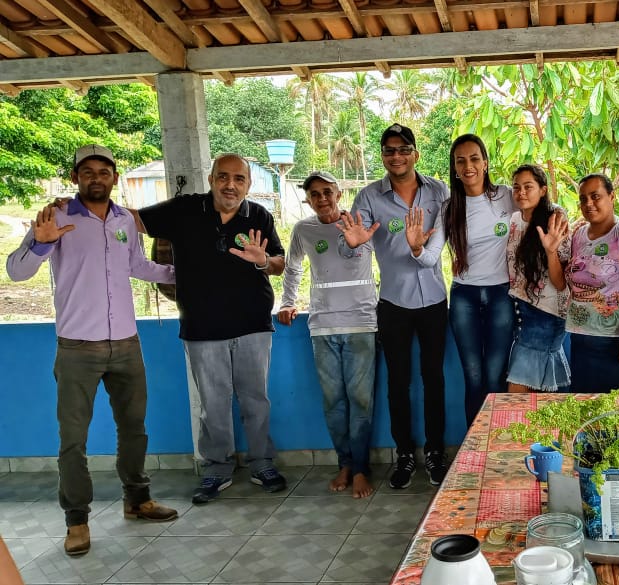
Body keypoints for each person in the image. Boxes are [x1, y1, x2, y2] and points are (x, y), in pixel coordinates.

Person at [5, 145, 178, 556]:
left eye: (104, 171)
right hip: (77, 349)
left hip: (126, 345)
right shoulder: (56, 217)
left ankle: (138, 500)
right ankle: (77, 521)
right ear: (75, 176)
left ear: (114, 178)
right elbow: (16, 271)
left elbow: (139, 266)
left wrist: (192, 274)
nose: (96, 177)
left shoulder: (123, 220)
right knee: (73, 440)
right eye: (88, 171)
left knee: (134, 429)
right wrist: (42, 243)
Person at [136, 154, 288, 504]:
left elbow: (279, 263)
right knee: (213, 404)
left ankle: (262, 463)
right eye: (223, 177)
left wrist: (263, 260)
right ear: (211, 179)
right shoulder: (185, 210)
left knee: (256, 400)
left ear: (248, 184)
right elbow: (133, 220)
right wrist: (83, 207)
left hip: (252, 325)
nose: (230, 185)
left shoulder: (259, 215)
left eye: (238, 179)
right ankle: (217, 469)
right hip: (202, 327)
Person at [338, 123, 450, 488]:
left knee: (433, 380)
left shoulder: (439, 193)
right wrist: (354, 244)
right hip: (393, 303)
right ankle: (404, 455)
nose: (397, 156)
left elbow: (436, 252)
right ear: (383, 156)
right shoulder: (370, 197)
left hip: (434, 300)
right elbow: (350, 242)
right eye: (389, 150)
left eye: (404, 149)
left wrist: (418, 248)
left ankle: (436, 454)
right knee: (398, 383)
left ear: (416, 153)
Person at [277, 171, 377, 498]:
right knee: (334, 401)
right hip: (322, 327)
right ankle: (345, 464)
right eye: (315, 194)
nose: (322, 199)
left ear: (337, 193)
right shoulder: (303, 230)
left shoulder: (357, 224)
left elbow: (363, 254)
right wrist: (288, 302)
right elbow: (292, 267)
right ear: (308, 199)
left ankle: (361, 468)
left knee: (361, 400)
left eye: (327, 192)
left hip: (361, 324)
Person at [442, 135, 516, 423]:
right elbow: (432, 251)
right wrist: (416, 248)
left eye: (474, 158)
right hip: (464, 297)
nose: (468, 165)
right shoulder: (450, 207)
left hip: (501, 294)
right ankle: (474, 453)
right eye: (461, 161)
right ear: (455, 168)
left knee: (496, 377)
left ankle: (496, 444)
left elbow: (539, 211)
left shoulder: (507, 196)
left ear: (485, 163)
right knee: (473, 378)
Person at [565, 174, 619, 393]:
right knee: (584, 411)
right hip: (582, 337)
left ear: (612, 196)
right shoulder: (578, 235)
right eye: (583, 198)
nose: (589, 204)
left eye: (596, 196)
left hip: (618, 341)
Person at [505, 164, 571, 393]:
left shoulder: (555, 219)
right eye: (516, 187)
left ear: (543, 190)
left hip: (546, 312)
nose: (521, 192)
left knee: (518, 393)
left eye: (528, 187)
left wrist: (550, 251)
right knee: (536, 394)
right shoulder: (514, 219)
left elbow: (561, 283)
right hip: (521, 309)